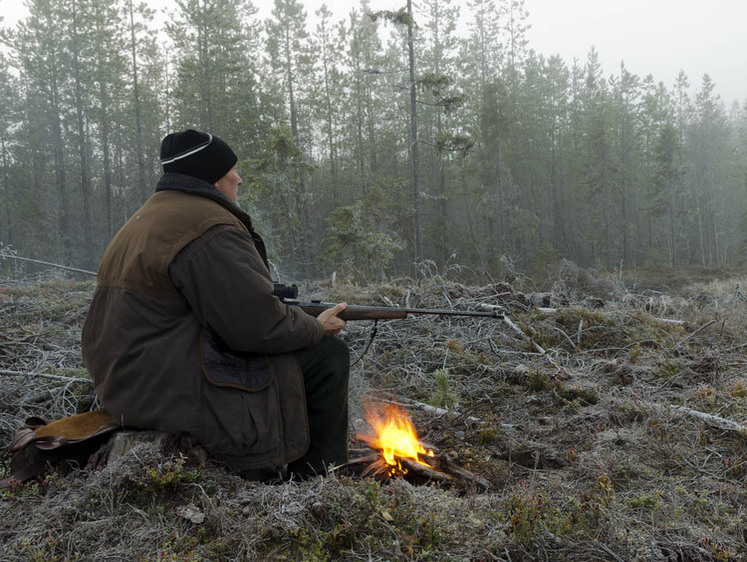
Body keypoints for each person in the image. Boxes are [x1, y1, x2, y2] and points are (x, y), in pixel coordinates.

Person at [82, 129, 350, 480]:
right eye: (233, 170)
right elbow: (257, 327)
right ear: (212, 176)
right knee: (327, 355)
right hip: (170, 393)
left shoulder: (146, 218)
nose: (239, 178)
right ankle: (318, 482)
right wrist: (315, 326)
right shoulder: (210, 228)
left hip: (130, 388)